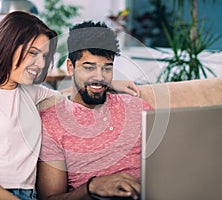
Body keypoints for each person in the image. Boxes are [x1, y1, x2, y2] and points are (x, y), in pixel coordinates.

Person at [0, 12, 140, 200]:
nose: (39, 63)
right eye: (33, 53)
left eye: (44, 56)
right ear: (7, 46)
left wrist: (106, 81)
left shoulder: (32, 93)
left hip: (27, 194)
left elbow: (72, 95)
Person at [36, 21, 152, 200]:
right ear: (70, 67)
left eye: (107, 68)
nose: (99, 77)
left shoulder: (137, 107)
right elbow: (50, 198)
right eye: (89, 67)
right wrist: (92, 187)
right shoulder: (52, 122)